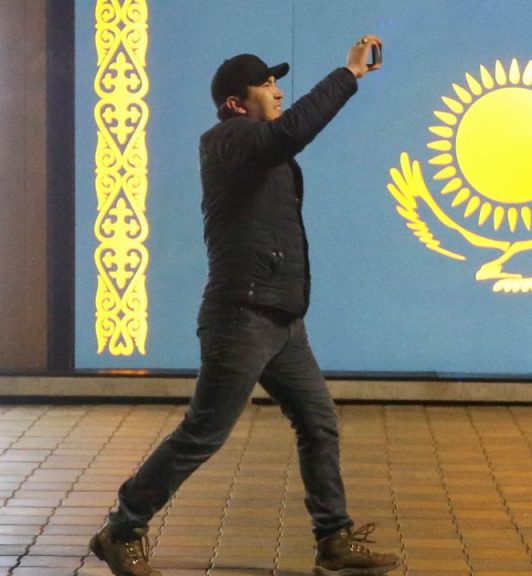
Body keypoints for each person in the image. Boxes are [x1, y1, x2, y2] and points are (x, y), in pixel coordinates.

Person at [89, 35, 399, 576]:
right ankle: (122, 529)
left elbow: (283, 140)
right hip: (242, 317)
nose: (278, 91)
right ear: (237, 103)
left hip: (280, 317)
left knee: (318, 420)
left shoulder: (258, 146)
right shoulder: (228, 141)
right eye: (268, 84)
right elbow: (291, 133)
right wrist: (347, 75)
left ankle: (333, 537)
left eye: (278, 82)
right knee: (204, 431)